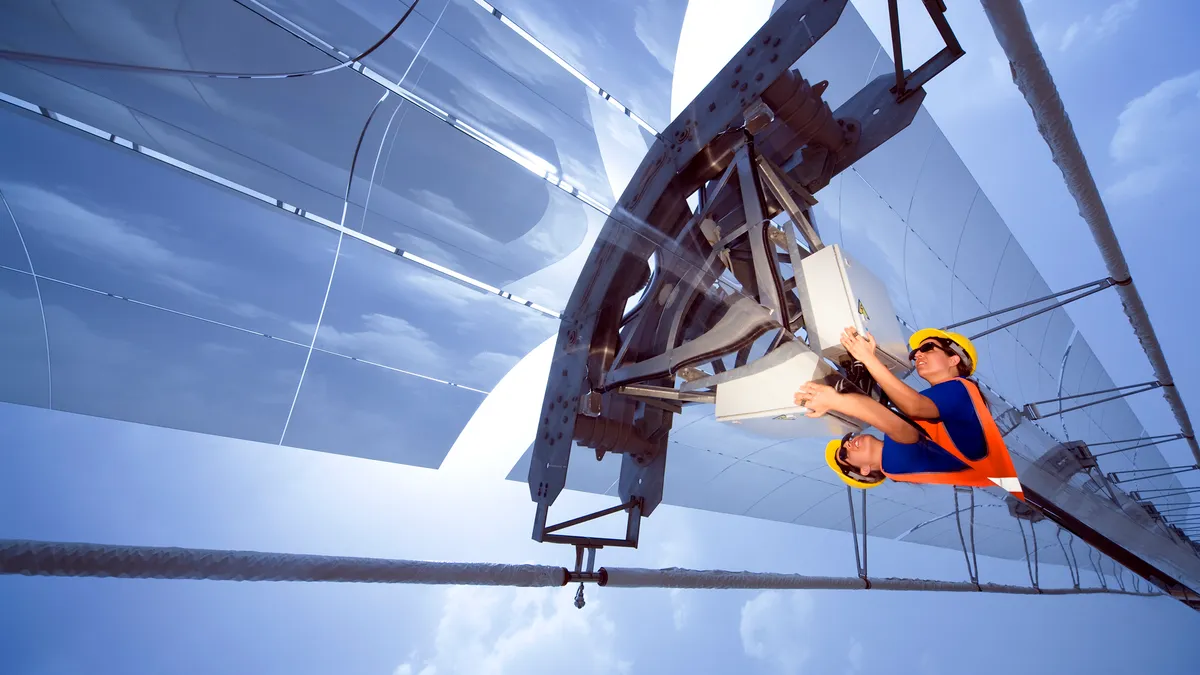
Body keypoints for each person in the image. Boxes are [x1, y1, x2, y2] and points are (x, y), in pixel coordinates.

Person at [794, 328, 1024, 500]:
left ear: (954, 360)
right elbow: (902, 422)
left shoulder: (956, 394)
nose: (916, 355)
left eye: (925, 349)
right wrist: (865, 363)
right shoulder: (960, 391)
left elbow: (899, 417)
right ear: (865, 471)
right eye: (919, 351)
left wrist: (844, 393)